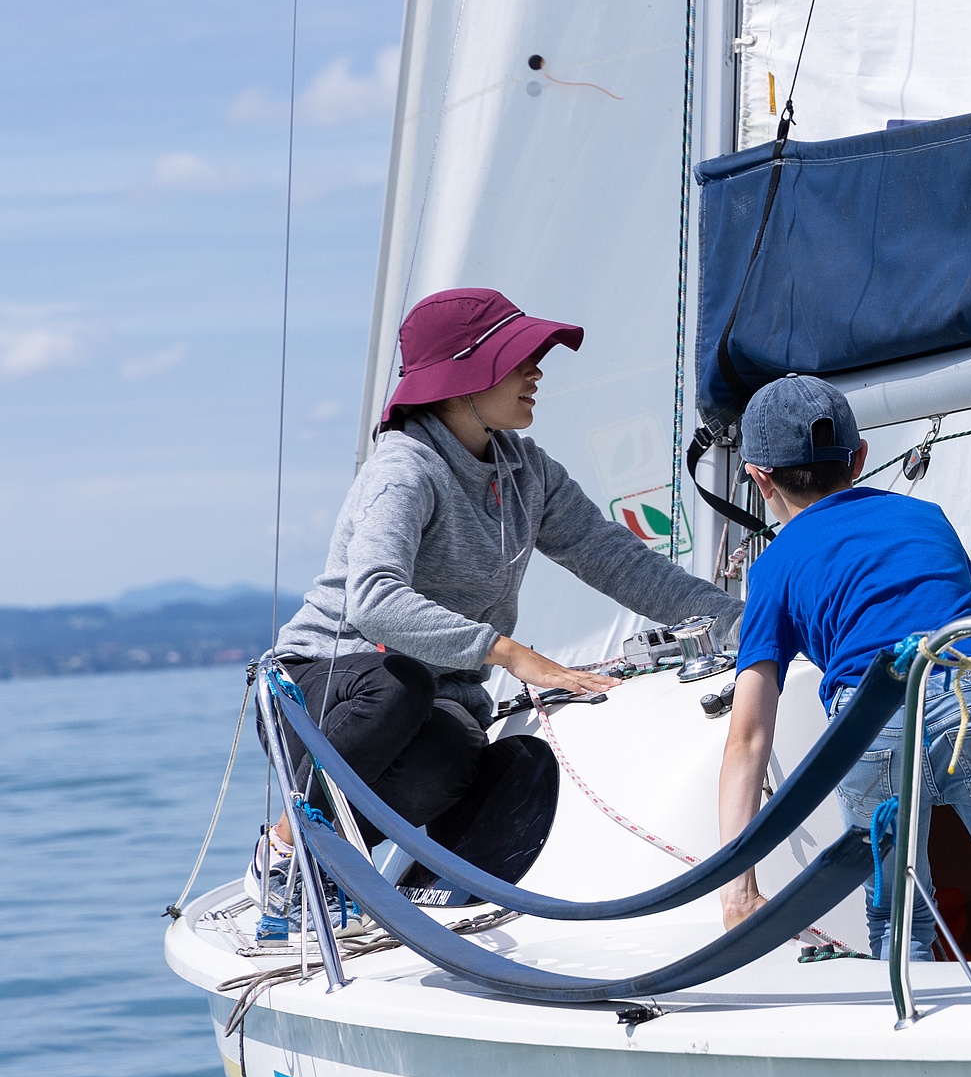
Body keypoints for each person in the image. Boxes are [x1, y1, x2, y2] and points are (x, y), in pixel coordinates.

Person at [265, 288, 740, 922]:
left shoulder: (527, 471)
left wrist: (745, 621)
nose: (536, 371)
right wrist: (510, 653)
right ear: (464, 378)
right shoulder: (405, 469)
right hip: (324, 691)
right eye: (518, 359)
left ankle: (332, 870)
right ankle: (284, 851)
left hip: (427, 702)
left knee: (455, 755)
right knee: (400, 686)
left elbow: (618, 561)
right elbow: (373, 599)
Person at [714, 375, 971, 961]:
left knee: (901, 945)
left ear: (757, 477)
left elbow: (748, 736)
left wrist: (737, 894)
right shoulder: (927, 518)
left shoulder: (774, 567)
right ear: (862, 458)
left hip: (870, 724)